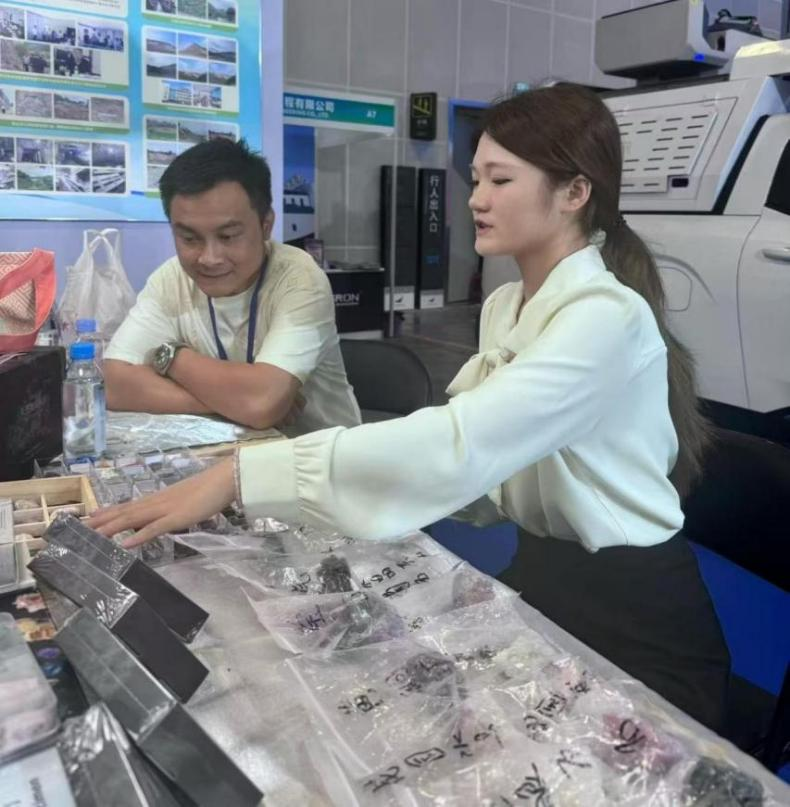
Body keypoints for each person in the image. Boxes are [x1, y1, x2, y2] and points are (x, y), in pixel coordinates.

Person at [90, 85, 730, 732]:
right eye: (476, 178)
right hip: (542, 575)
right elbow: (485, 480)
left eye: (500, 179)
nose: (476, 198)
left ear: (574, 192)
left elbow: (460, 445)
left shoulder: (606, 318)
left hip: (632, 617)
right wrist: (359, 501)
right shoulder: (507, 306)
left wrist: (242, 477)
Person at [103, 138, 361, 435]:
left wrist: (173, 358)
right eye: (189, 238)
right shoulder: (170, 278)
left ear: (266, 225)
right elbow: (112, 383)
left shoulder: (299, 279)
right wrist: (236, 403)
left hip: (319, 453)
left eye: (227, 237)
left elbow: (262, 402)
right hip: (235, 448)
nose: (208, 258)